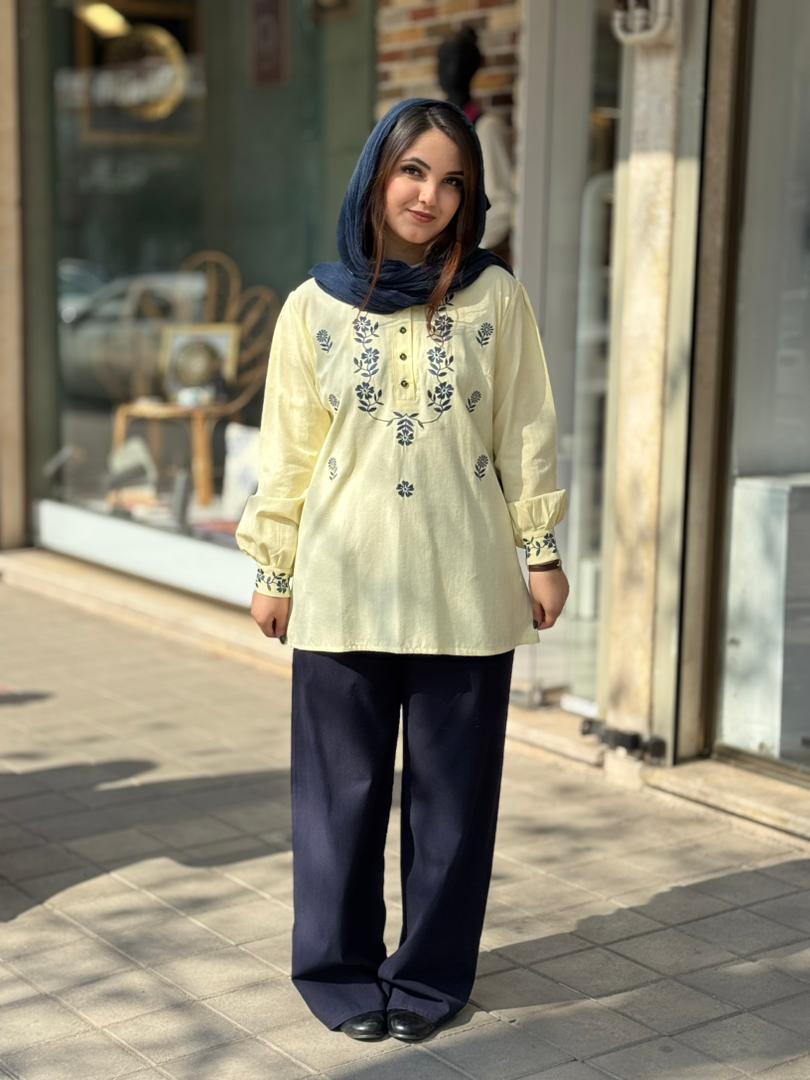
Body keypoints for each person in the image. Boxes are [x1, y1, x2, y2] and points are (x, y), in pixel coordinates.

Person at [235, 97, 569, 1044]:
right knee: (338, 800)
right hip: (342, 583)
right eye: (413, 171)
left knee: (452, 804)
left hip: (466, 584)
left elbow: (526, 430)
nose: (430, 195)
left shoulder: (494, 299)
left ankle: (429, 976)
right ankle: (337, 972)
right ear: (376, 177)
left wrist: (541, 551)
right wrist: (273, 567)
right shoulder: (312, 306)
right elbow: (288, 451)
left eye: (452, 181)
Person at [437, 26, 514, 258]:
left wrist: (458, 246)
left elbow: (503, 206)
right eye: (444, 61)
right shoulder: (432, 126)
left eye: (459, 62)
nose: (451, 69)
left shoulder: (486, 128)